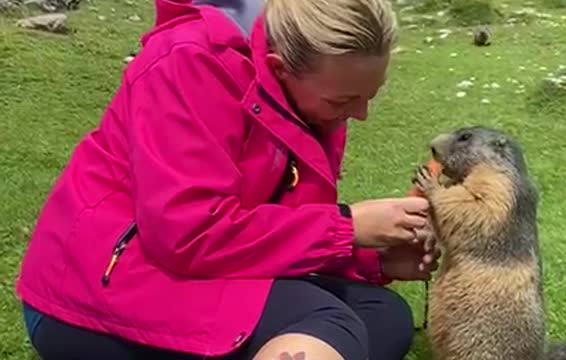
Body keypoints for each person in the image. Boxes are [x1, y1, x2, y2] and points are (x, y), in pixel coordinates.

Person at [15, 0, 441, 359]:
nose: (360, 113)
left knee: (382, 318)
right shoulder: (189, 62)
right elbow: (187, 236)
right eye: (346, 100)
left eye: (370, 96)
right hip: (91, 289)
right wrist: (347, 227)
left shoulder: (315, 99)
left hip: (189, 273)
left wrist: (371, 259)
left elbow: (273, 232)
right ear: (279, 67)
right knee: (323, 320)